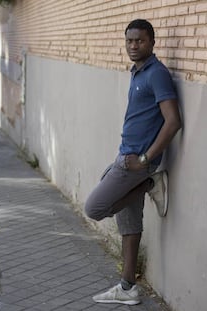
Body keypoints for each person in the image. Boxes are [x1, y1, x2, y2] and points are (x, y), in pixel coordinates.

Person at [85, 19, 182, 305]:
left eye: (139, 41)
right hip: (127, 156)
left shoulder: (157, 74)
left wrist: (145, 161)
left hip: (135, 164)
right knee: (129, 226)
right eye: (129, 41)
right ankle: (128, 288)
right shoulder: (137, 72)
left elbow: (173, 121)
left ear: (152, 42)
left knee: (94, 208)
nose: (133, 46)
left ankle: (151, 183)